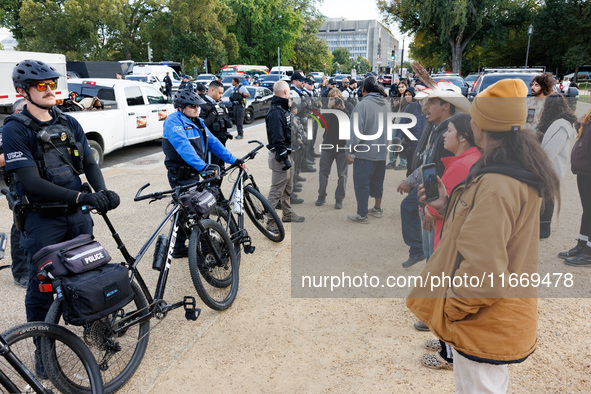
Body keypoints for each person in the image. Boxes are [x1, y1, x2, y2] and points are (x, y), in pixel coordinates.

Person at [408, 79, 560, 392]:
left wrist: (453, 310)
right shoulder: (510, 170)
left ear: (481, 127)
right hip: (493, 319)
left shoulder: (497, 183)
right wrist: (447, 203)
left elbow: (484, 268)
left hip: (481, 322)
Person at [2, 60, 120, 325]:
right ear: (23, 91)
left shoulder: (69, 122)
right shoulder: (15, 128)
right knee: (42, 287)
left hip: (78, 216)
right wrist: (82, 197)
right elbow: (31, 181)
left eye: (52, 84)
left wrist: (101, 191)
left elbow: (89, 162)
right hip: (43, 220)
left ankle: (96, 325)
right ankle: (44, 349)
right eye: (41, 85)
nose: (49, 90)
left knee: (88, 273)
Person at [162, 89, 244, 257]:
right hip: (181, 175)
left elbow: (213, 143)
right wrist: (203, 167)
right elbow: (184, 147)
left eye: (197, 106)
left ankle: (178, 247)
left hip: (194, 173)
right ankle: (207, 248)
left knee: (187, 211)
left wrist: (233, 159)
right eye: (192, 106)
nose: (197, 109)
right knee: (196, 211)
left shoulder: (198, 122)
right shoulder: (173, 122)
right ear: (180, 108)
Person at [397, 87, 470, 269]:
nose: (425, 106)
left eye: (431, 102)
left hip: (435, 192)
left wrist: (431, 207)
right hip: (430, 189)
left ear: (446, 107)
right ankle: (419, 252)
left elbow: (442, 173)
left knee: (434, 247)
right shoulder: (436, 127)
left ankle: (423, 259)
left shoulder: (449, 134)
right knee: (428, 240)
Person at [345, 76, 389, 223]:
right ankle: (377, 209)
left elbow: (355, 132)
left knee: (361, 184)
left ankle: (362, 214)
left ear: (363, 89)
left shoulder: (362, 105)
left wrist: (349, 150)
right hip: (381, 151)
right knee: (378, 182)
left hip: (365, 153)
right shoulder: (386, 104)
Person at [265, 80, 305, 230]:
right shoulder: (276, 112)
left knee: (288, 188)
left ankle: (287, 213)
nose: (290, 95)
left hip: (287, 152)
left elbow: (286, 130)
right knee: (276, 191)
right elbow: (276, 137)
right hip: (280, 155)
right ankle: (270, 221)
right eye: (289, 92)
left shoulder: (283, 109)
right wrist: (283, 155)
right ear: (284, 92)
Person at [537, 93, 577, 238]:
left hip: (551, 167)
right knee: (545, 196)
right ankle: (541, 226)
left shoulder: (561, 125)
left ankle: (544, 229)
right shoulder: (557, 122)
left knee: (548, 197)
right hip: (549, 166)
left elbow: (551, 150)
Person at [0, 98, 28, 288]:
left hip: (38, 182)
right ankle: (21, 273)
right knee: (20, 226)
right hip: (18, 183)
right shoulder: (8, 131)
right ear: (18, 112)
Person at [561, 109, 591, 266]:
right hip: (584, 170)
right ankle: (582, 244)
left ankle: (589, 254)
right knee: (587, 210)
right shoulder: (590, 115)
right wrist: (579, 123)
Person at [316, 88, 351, 209]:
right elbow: (321, 124)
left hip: (342, 146)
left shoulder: (346, 106)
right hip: (328, 145)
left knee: (342, 175)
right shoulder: (326, 108)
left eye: (337, 98)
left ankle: (339, 198)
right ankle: (321, 196)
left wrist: (343, 109)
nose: (336, 100)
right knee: (323, 173)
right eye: (333, 98)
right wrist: (329, 108)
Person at [199, 80, 234, 167]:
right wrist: (213, 114)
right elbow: (201, 125)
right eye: (219, 93)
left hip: (221, 143)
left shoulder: (221, 104)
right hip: (211, 146)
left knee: (221, 170)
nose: (221, 95)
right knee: (212, 172)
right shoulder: (202, 104)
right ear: (212, 90)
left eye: (222, 93)